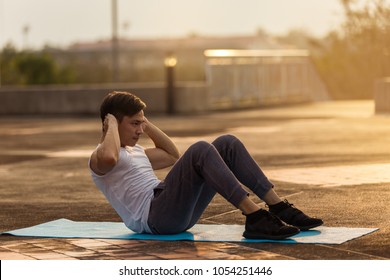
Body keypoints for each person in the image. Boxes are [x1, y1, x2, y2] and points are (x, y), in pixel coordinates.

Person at [89, 91, 323, 240]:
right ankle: (255, 216)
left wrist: (146, 124)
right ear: (110, 123)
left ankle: (278, 205)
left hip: (174, 213)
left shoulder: (136, 151)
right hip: (155, 217)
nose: (140, 130)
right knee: (200, 149)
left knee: (226, 143)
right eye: (134, 124)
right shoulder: (99, 157)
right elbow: (110, 157)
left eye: (141, 123)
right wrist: (109, 124)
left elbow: (172, 154)